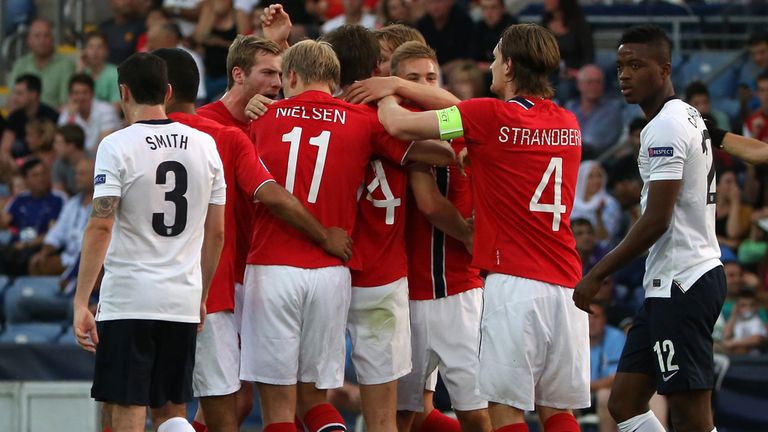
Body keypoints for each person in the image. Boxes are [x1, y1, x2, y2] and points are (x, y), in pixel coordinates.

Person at [376, 23, 588, 432]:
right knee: (559, 411)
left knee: (504, 412)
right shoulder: (569, 122)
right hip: (565, 283)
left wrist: (388, 90)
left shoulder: (487, 115)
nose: (489, 66)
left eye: (493, 58)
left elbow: (399, 125)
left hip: (515, 283)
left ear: (508, 66)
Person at [153, 46, 352, 432]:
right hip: (229, 279)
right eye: (268, 73)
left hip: (225, 278)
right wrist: (323, 234)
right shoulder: (220, 129)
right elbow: (269, 192)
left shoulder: (144, 137)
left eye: (282, 74)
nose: (277, 82)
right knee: (251, 399)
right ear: (239, 74)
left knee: (224, 401)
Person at [240, 39, 415, 432]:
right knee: (314, 398)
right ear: (334, 80)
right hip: (332, 273)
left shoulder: (263, 117)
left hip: (273, 268)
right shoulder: (362, 120)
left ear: (293, 76)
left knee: (279, 407)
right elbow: (431, 145)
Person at [573, 26, 725, 432]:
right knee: (623, 404)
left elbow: (656, 220)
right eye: (621, 65)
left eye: (636, 65)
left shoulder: (664, 126)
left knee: (691, 412)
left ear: (665, 69)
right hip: (668, 281)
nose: (624, 74)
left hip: (684, 281)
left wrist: (597, 272)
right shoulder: (687, 115)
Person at [72, 52, 226, 432]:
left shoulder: (117, 145)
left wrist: (81, 301)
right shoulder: (205, 145)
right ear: (168, 92)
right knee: (172, 413)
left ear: (123, 92)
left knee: (125, 407)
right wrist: (202, 296)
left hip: (131, 299)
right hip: (182, 299)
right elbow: (216, 231)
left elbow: (101, 226)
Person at [390, 41, 491, 432]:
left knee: (475, 412)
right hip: (405, 293)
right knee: (409, 415)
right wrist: (466, 232)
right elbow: (430, 204)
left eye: (430, 77)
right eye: (412, 78)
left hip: (459, 292)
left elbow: (435, 203)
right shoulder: (389, 126)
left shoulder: (460, 124)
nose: (422, 85)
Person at [27, 158, 94, 277]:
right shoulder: (72, 203)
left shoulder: (104, 205)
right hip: (68, 258)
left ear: (95, 175)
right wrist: (44, 252)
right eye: (76, 173)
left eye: (81, 174)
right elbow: (57, 232)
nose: (77, 177)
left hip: (90, 262)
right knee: (36, 263)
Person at [0, 157, 66, 276]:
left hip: (40, 248)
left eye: (43, 174)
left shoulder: (58, 199)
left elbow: (56, 232)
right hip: (15, 248)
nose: (41, 179)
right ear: (25, 180)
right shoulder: (20, 199)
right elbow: (4, 222)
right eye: (35, 175)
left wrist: (26, 245)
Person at [7, 18, 75, 109]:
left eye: (46, 36)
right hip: (22, 118)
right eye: (37, 36)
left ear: (52, 39)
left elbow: (66, 103)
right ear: (29, 40)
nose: (42, 40)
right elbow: (12, 98)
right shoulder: (20, 64)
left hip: (53, 120)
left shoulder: (66, 65)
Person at [565, 65, 624, 158]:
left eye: (598, 82)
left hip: (596, 160)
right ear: (579, 85)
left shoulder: (611, 110)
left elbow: (593, 143)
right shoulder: (571, 107)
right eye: (589, 82)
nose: (594, 86)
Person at [57, 74, 122, 153]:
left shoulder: (106, 110)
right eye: (76, 93)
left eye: (85, 92)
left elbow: (104, 146)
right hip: (76, 160)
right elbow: (62, 147)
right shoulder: (66, 114)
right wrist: (71, 119)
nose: (81, 97)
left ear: (92, 94)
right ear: (70, 96)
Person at [1, 74, 60, 159]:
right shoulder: (14, 116)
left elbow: (55, 150)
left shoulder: (51, 116)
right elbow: (5, 149)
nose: (15, 98)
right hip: (17, 165)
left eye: (19, 93)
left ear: (33, 94)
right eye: (15, 93)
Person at [589, 301, 627, 432]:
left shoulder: (615, 337)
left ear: (604, 319)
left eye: (596, 317)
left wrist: (586, 386)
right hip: (578, 394)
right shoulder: (573, 339)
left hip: (604, 392)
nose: (591, 322)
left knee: (605, 395)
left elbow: (616, 379)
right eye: (587, 317)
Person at [145, 22, 207, 102]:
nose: (148, 46)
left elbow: (198, 97)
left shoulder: (189, 58)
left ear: (169, 38)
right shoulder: (150, 58)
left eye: (152, 41)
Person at [572, 161, 622, 243]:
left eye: (599, 176)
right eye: (591, 176)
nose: (596, 181)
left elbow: (605, 239)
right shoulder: (570, 202)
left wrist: (598, 217)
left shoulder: (609, 204)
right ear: (581, 178)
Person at [415, 0, 474, 66]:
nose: (435, 7)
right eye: (430, 2)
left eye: (439, 1)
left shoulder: (464, 22)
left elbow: (468, 57)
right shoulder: (422, 24)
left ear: (450, 2)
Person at [77, 31, 121, 107]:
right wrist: (80, 70)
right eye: (91, 47)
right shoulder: (83, 72)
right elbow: (74, 102)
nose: (95, 52)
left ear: (106, 51)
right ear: (85, 51)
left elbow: (116, 107)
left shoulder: (114, 73)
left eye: (99, 47)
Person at [722, 288, 768, 356]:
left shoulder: (757, 321)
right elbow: (726, 335)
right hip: (736, 359)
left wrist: (733, 343)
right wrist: (734, 314)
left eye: (752, 305)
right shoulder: (736, 320)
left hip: (755, 360)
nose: (748, 308)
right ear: (737, 307)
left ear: (756, 306)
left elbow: (758, 339)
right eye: (743, 305)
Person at [473, 0, 517, 70]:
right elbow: (472, 59)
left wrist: (489, 66)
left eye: (493, 7)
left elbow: (514, 61)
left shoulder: (513, 28)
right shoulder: (478, 28)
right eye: (485, 8)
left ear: (503, 8)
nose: (489, 12)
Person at [52, 124, 88, 196]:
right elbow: (59, 194)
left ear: (71, 146)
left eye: (58, 143)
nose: (54, 146)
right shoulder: (59, 164)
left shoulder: (95, 161)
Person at [743, 72, 768, 142]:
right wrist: (754, 135)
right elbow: (746, 152)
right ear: (757, 94)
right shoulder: (749, 123)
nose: (766, 94)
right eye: (762, 90)